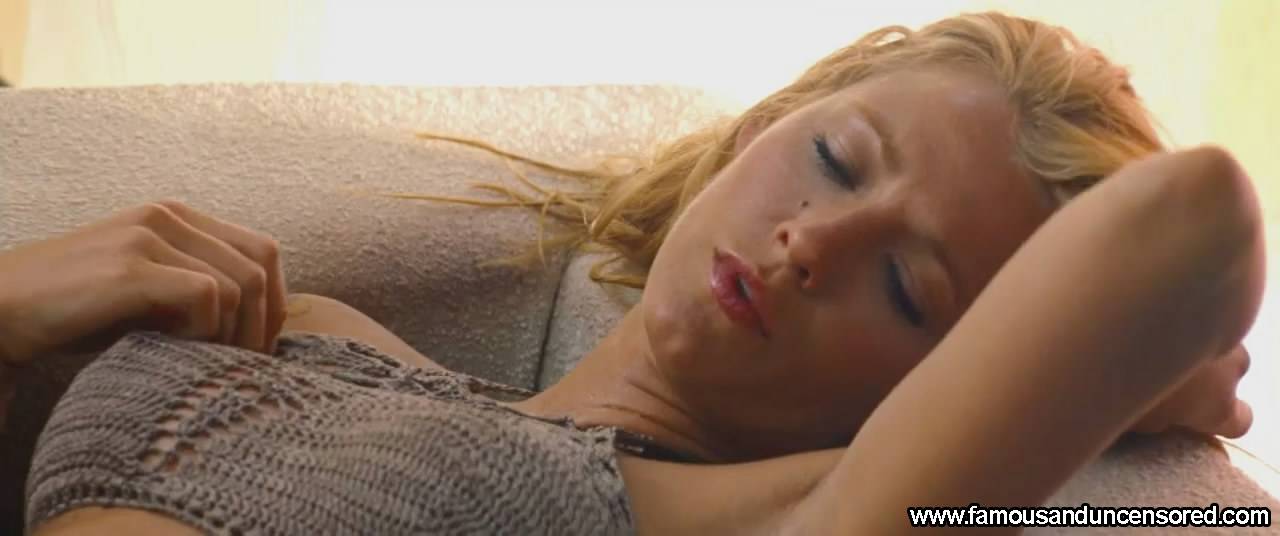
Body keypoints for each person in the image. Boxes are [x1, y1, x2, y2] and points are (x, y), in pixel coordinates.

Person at [1, 11, 1264, 535]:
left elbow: (1193, 218)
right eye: (832, 158)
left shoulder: (768, 515)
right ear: (757, 127)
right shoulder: (310, 324)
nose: (811, 243)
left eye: (906, 290)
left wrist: (1131, 378)